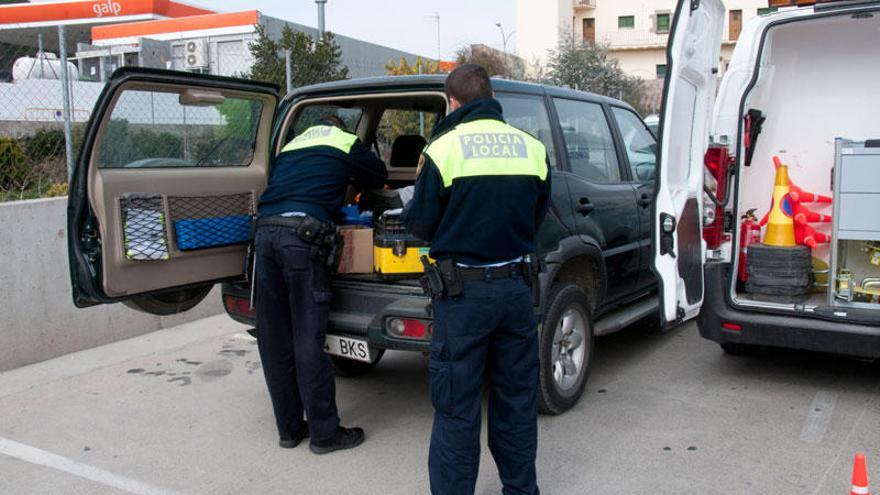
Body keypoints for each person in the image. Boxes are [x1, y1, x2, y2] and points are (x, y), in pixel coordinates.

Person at [403, 65, 551, 495]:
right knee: (516, 402)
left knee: (456, 406)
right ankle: (521, 490)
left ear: (452, 102)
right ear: (491, 96)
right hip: (516, 289)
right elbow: (537, 215)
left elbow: (422, 224)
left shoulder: (444, 148)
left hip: (463, 294)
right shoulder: (531, 148)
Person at [254, 115, 387, 454]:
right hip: (302, 240)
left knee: (274, 339)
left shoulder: (290, 146)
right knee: (308, 339)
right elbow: (379, 176)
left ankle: (289, 429)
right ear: (340, 128)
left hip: (264, 235)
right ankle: (325, 434)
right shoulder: (343, 142)